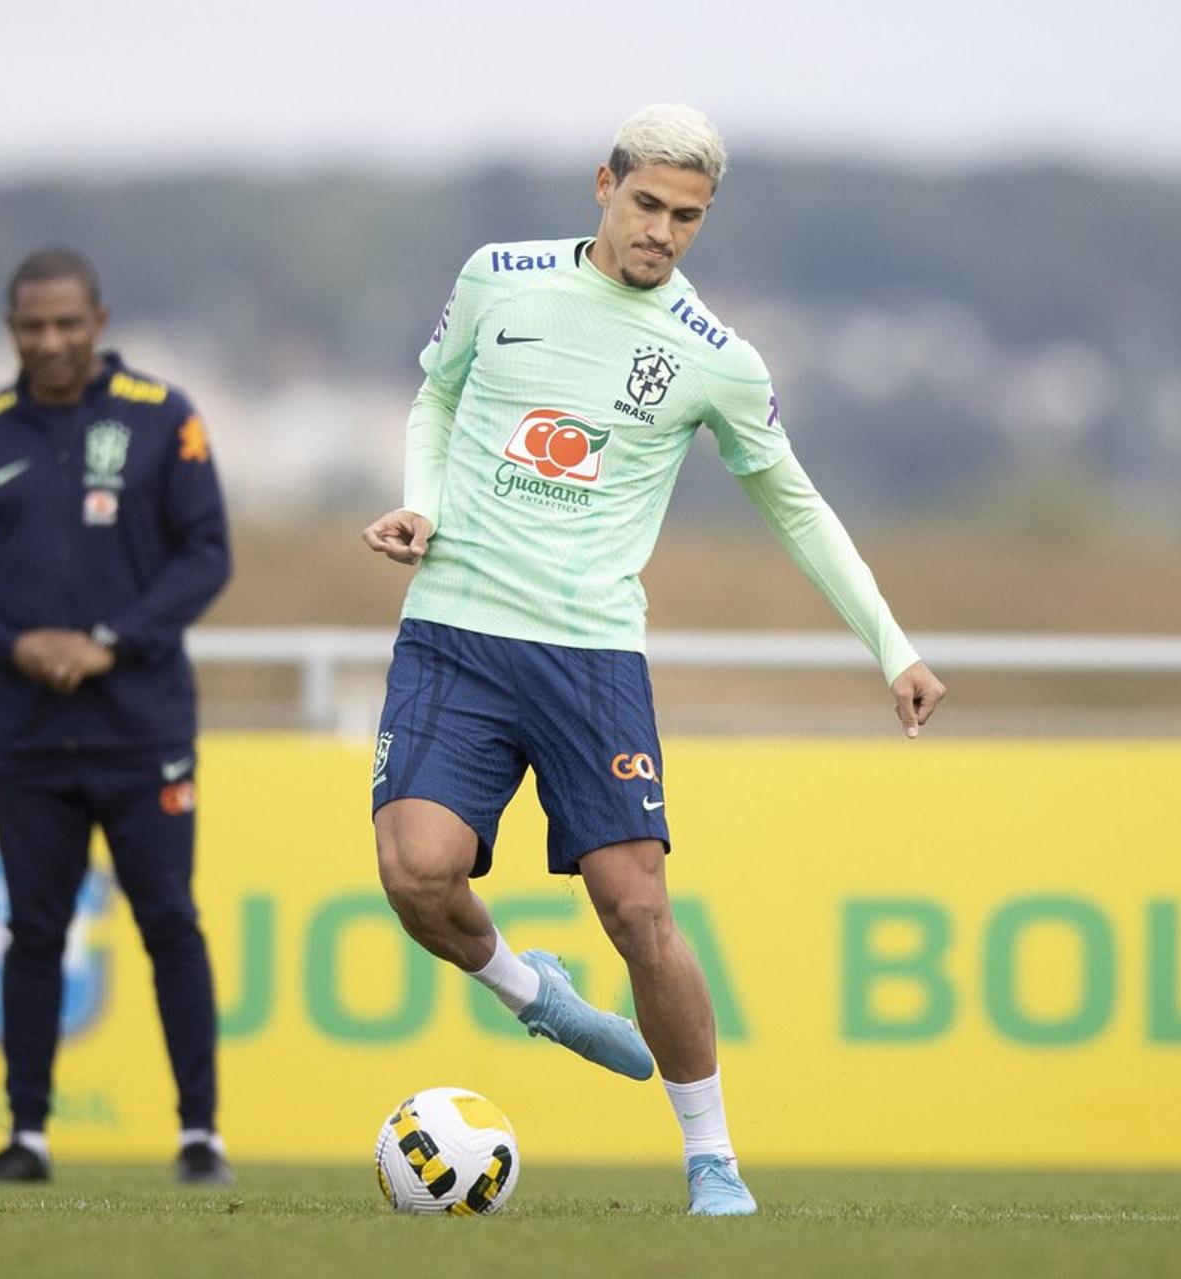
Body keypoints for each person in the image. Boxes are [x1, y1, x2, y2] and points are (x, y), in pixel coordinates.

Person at [362, 103, 946, 1216]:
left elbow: (797, 506)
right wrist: (419, 507)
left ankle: (712, 1158)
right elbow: (435, 396)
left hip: (589, 654)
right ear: (603, 185)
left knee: (637, 909)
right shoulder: (500, 276)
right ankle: (534, 992)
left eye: (687, 217)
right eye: (647, 205)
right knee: (414, 872)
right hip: (457, 627)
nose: (663, 233)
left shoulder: (714, 359)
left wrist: (893, 645)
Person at [0, 249, 234, 1186]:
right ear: (12, 327)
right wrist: (13, 645)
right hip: (26, 731)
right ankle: (27, 1134)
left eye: (66, 323)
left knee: (169, 922)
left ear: (98, 318)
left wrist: (109, 641)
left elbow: (207, 555)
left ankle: (199, 1134)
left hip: (143, 725)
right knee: (33, 931)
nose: (50, 341)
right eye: (31, 326)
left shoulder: (163, 415)